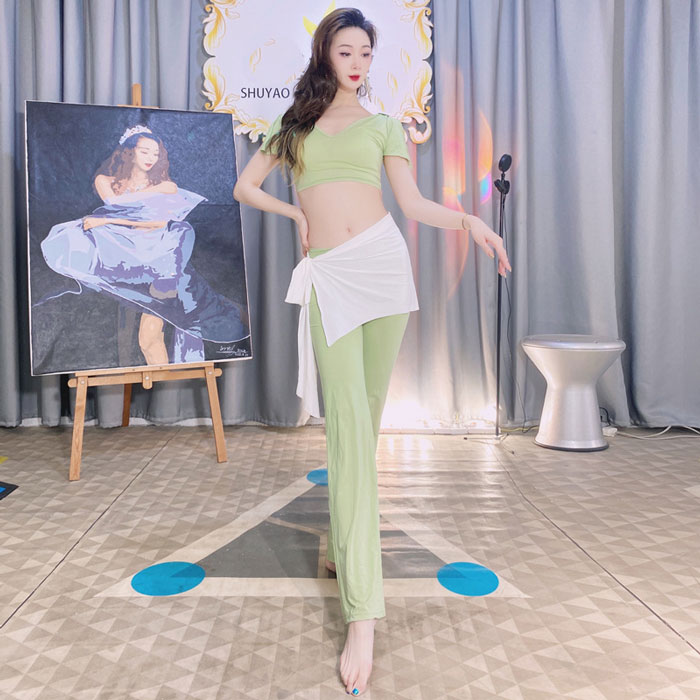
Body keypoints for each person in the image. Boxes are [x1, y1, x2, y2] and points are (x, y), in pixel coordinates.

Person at [233, 8, 511, 696]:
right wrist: (297, 214)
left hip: (385, 270)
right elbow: (244, 187)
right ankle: (363, 612)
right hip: (331, 275)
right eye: (345, 51)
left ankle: (341, 544)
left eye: (365, 52)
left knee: (367, 424)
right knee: (348, 428)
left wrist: (470, 220)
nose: (357, 63)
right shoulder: (294, 127)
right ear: (324, 55)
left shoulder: (385, 125)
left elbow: (412, 205)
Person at [40, 125, 249, 367]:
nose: (151, 158)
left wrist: (109, 218)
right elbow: (116, 204)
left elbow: (158, 223)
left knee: (161, 330)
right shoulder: (105, 181)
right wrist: (127, 209)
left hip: (159, 259)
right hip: (125, 256)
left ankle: (235, 318)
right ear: (129, 152)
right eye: (144, 151)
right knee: (75, 236)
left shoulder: (165, 186)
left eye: (156, 153)